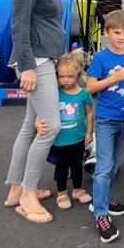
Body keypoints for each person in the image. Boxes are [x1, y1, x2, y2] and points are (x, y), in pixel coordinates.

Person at [4, 0, 73, 224]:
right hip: (38, 61)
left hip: (46, 59)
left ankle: (16, 189)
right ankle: (29, 194)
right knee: (51, 127)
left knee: (30, 127)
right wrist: (28, 66)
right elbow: (19, 24)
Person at [86, 10, 124, 243]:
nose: (122, 37)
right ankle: (100, 212)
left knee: (114, 165)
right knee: (103, 166)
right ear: (107, 33)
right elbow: (90, 88)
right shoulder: (101, 58)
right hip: (105, 119)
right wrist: (115, 78)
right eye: (117, 32)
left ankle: (103, 196)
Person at [34, 52, 94, 210]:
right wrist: (37, 121)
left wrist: (89, 132)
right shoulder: (55, 93)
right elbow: (42, 108)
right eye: (61, 76)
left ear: (78, 74)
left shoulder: (83, 94)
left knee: (76, 166)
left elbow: (89, 112)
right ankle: (61, 193)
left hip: (78, 138)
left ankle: (78, 190)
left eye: (70, 76)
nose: (65, 80)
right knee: (61, 167)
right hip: (59, 139)